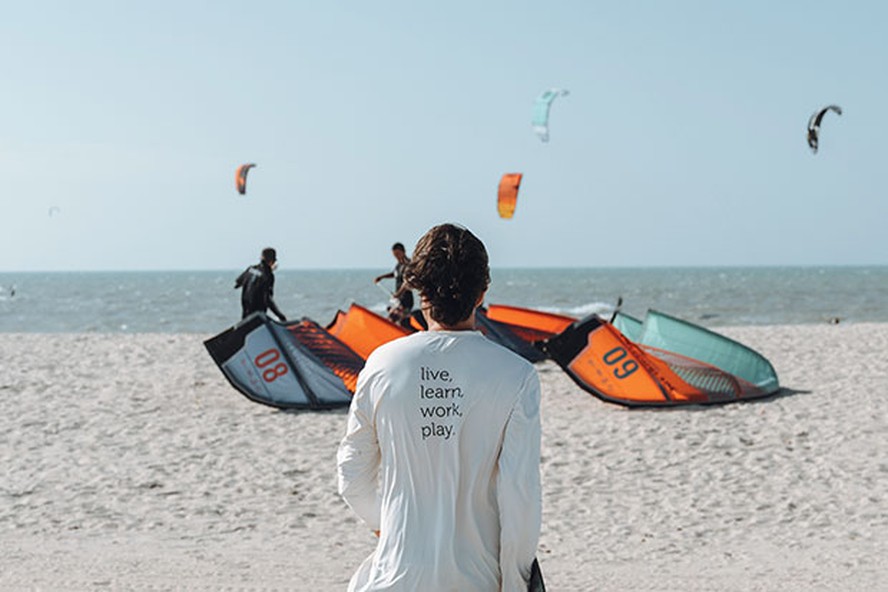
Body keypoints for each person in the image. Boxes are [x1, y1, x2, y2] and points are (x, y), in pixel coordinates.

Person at [338, 224, 542, 591]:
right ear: (482, 293)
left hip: (394, 577)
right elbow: (520, 498)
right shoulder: (517, 375)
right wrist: (514, 581)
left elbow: (352, 478)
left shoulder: (382, 364)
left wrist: (389, 528)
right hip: (477, 580)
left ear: (419, 290)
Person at [234, 247, 287, 321]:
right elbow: (268, 299)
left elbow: (237, 283)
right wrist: (281, 317)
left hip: (245, 315)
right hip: (257, 318)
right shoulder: (268, 276)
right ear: (272, 261)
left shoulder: (251, 269)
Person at [373, 242, 414, 327]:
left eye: (398, 254)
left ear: (404, 252)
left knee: (402, 321)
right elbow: (395, 274)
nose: (397, 257)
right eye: (395, 255)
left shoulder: (408, 265)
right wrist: (382, 277)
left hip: (406, 298)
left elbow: (407, 282)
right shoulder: (398, 265)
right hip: (399, 299)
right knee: (395, 319)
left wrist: (398, 293)